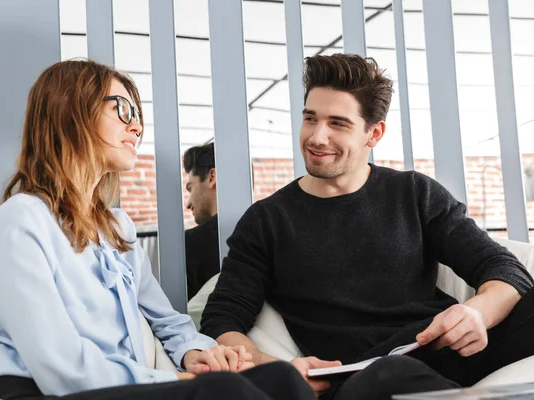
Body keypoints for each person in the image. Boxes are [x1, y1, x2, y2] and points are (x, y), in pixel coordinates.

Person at [0, 59, 316, 400]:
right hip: (47, 390)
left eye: (136, 115)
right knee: (225, 390)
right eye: (122, 109)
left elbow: (167, 321)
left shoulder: (117, 227)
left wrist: (197, 354)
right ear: (70, 112)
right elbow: (61, 367)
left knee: (280, 378)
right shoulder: (21, 221)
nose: (136, 127)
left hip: (129, 386)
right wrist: (177, 381)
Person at [200, 53, 534, 400]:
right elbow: (222, 318)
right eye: (310, 118)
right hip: (364, 374)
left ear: (374, 133)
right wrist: (276, 369)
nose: (316, 137)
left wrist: (475, 313)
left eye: (337, 124)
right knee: (390, 373)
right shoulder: (266, 220)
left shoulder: (415, 193)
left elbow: (504, 269)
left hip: (451, 346)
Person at [183, 142, 221, 299]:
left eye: (190, 188)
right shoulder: (271, 230)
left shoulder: (190, 243)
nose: (188, 203)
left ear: (212, 177)